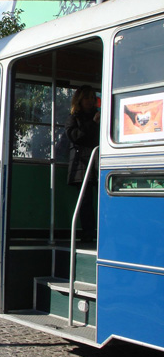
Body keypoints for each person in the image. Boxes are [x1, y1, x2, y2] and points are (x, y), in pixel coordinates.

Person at [65, 85, 100, 243]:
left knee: (102, 198)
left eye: (93, 98)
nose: (90, 101)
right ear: (79, 100)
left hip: (98, 161)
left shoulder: (100, 116)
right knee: (85, 201)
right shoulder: (74, 117)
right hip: (82, 163)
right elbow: (76, 137)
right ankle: (88, 233)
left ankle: (101, 232)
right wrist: (93, 123)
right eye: (87, 98)